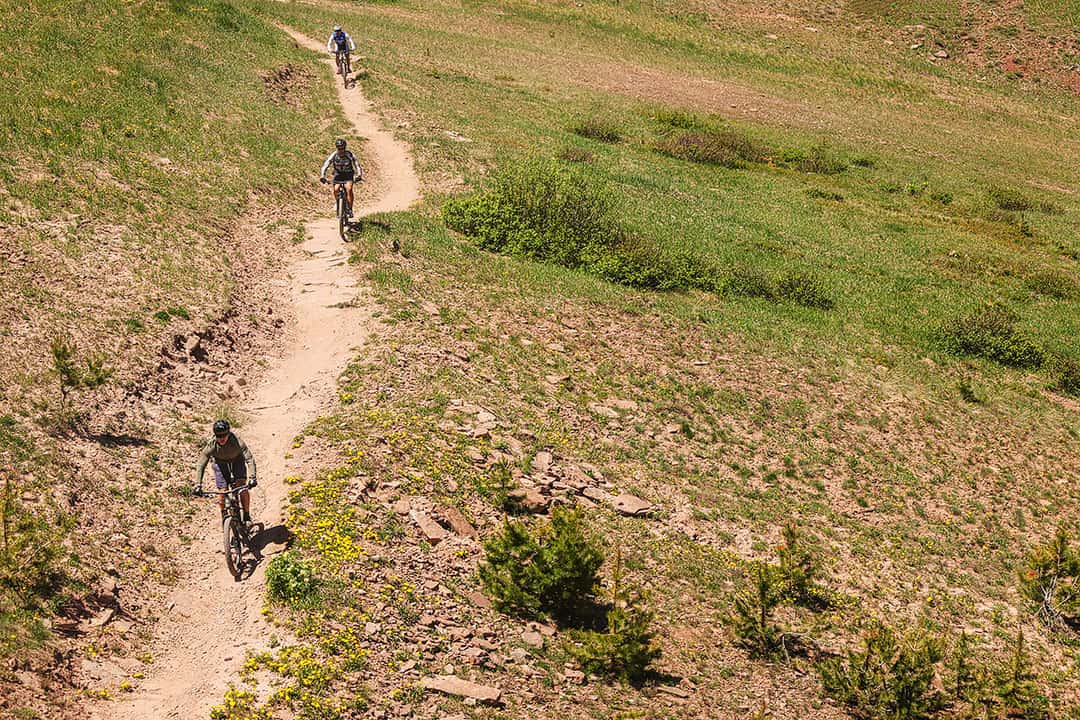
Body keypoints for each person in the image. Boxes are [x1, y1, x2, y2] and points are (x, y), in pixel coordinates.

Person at [193, 420, 257, 524]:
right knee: (222, 492)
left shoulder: (237, 442)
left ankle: (246, 515)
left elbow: (249, 459)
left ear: (228, 433)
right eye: (218, 436)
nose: (221, 438)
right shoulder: (211, 445)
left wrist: (252, 477)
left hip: (237, 461)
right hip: (220, 464)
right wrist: (197, 484)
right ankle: (224, 516)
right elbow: (201, 464)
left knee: (242, 487)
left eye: (224, 435)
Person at [319, 138, 362, 216]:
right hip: (338, 174)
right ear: (337, 148)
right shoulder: (334, 155)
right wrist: (322, 176)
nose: (341, 150)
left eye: (343, 148)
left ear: (345, 148)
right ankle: (338, 202)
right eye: (339, 148)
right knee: (336, 189)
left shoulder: (349, 154)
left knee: (349, 189)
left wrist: (359, 175)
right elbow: (326, 165)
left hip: (348, 174)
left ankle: (349, 208)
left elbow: (356, 164)